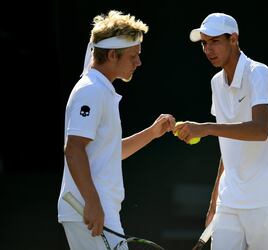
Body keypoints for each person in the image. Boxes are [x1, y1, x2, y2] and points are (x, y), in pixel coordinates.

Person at [175, 13, 268, 250]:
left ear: (234, 39)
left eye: (215, 41)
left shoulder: (259, 74)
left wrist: (206, 128)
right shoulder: (216, 83)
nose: (208, 49)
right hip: (229, 200)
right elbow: (229, 145)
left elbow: (260, 130)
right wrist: (214, 201)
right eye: (204, 43)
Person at [57, 10, 175, 250]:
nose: (138, 63)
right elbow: (74, 149)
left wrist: (152, 132)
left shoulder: (101, 90)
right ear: (112, 54)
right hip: (87, 208)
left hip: (96, 207)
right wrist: (92, 202)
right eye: (133, 56)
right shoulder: (91, 90)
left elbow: (109, 152)